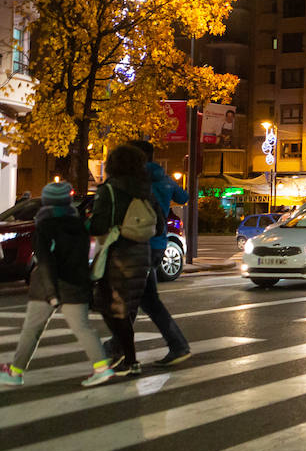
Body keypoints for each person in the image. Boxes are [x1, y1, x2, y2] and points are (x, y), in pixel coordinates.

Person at [0, 183, 115, 387]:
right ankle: (102, 368)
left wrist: (52, 293)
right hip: (76, 284)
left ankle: (15, 372)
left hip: (46, 286)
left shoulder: (44, 226)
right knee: (82, 328)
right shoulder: (78, 224)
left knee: (32, 329)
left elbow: (45, 261)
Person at [89, 143, 155, 376]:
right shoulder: (144, 189)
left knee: (110, 308)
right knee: (122, 309)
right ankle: (129, 358)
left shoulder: (109, 190)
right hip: (141, 254)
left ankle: (128, 357)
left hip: (117, 255)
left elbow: (98, 225)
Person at [128, 140, 192, 366]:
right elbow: (184, 197)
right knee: (145, 298)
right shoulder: (164, 178)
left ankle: (117, 348)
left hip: (139, 243)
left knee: (134, 297)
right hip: (159, 242)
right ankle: (177, 345)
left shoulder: (136, 180)